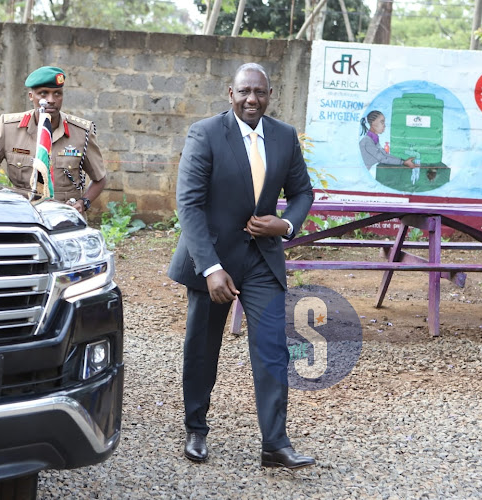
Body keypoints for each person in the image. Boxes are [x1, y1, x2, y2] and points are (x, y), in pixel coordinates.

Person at [168, 63, 315, 469]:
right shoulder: (207, 133)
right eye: (245, 91)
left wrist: (284, 224)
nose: (253, 99)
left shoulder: (284, 136)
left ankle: (275, 444)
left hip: (261, 260)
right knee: (203, 348)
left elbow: (303, 192)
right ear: (230, 94)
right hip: (212, 260)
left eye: (260, 92)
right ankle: (196, 428)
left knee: (272, 349)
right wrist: (210, 268)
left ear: (270, 95)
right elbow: (190, 205)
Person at [0, 66, 106, 214]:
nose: (51, 100)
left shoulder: (81, 132)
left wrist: (83, 202)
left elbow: (99, 179)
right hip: (22, 215)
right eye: (43, 94)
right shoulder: (9, 128)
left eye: (57, 94)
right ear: (31, 96)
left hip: (64, 216)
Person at [359, 110, 416, 178]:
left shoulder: (374, 140)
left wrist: (403, 161)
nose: (384, 126)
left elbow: (385, 154)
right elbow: (383, 158)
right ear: (373, 123)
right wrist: (402, 162)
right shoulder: (367, 141)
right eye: (382, 122)